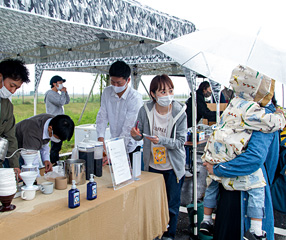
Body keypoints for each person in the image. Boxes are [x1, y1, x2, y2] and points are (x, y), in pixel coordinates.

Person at [200, 65, 285, 239]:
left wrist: (217, 169)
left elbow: (255, 156)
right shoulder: (260, 115)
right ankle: (255, 230)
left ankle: (206, 220)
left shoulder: (236, 105)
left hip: (233, 192)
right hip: (241, 191)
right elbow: (255, 159)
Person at [130, 74, 187, 240]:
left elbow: (181, 142)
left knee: (172, 205)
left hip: (173, 167)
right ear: (153, 94)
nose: (168, 95)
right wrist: (134, 135)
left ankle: (169, 235)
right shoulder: (145, 110)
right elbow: (139, 135)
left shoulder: (180, 112)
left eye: (170, 90)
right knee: (154, 203)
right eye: (162, 91)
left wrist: (160, 140)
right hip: (152, 166)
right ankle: (155, 233)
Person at [96, 60, 143, 164]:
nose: (115, 86)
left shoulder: (135, 98)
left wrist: (115, 153)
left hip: (131, 146)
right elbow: (102, 116)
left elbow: (128, 129)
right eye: (112, 82)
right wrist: (101, 138)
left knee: (130, 176)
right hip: (114, 143)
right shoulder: (107, 92)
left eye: (119, 83)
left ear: (128, 80)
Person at [44, 75, 70, 164]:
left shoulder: (57, 94)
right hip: (54, 122)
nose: (62, 85)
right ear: (54, 84)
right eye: (60, 83)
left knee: (58, 145)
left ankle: (55, 161)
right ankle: (53, 162)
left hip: (59, 122)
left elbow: (67, 101)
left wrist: (65, 93)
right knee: (55, 145)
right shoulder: (50, 94)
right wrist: (62, 93)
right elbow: (61, 102)